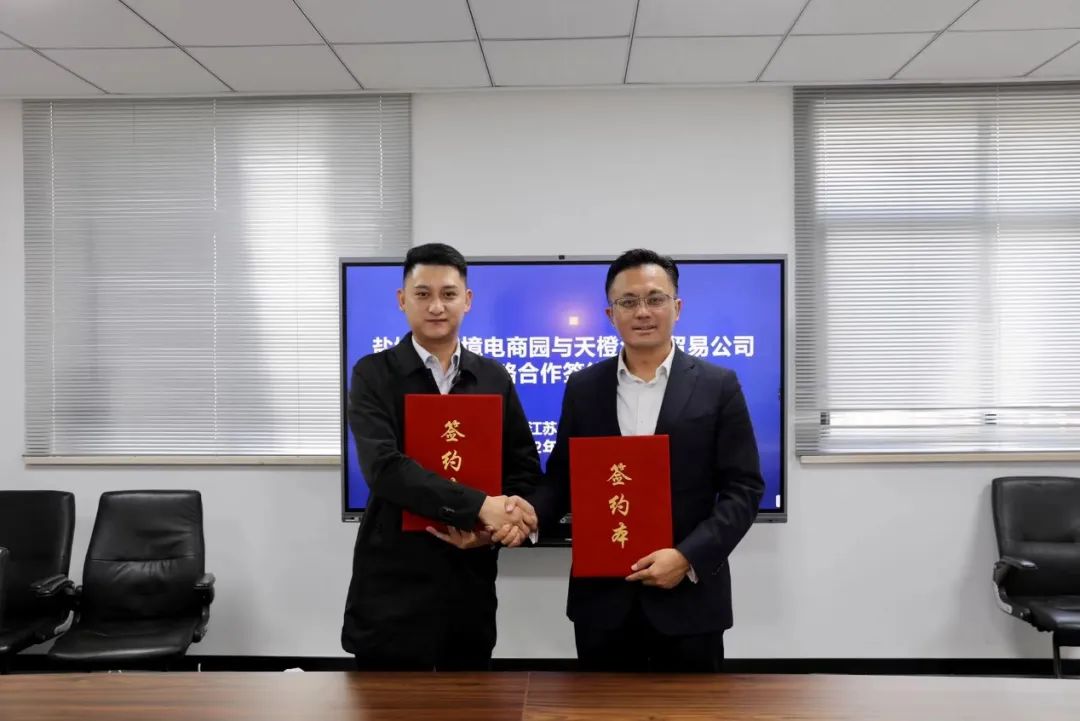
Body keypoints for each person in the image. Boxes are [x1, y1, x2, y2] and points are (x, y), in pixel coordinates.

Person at [521, 248, 764, 672]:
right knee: (602, 707)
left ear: (677, 307)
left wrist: (687, 557)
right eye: (628, 302)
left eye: (655, 299)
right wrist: (527, 515)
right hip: (603, 604)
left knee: (693, 708)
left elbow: (744, 488)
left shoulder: (718, 385)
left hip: (689, 602)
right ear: (610, 314)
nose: (643, 312)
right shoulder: (583, 387)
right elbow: (562, 479)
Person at [342, 243, 540, 671]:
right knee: (386, 703)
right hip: (393, 584)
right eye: (423, 294)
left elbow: (523, 467)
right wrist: (480, 507)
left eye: (448, 294)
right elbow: (384, 469)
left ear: (467, 300)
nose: (436, 306)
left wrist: (494, 530)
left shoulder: (493, 377)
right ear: (402, 300)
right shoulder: (373, 374)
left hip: (468, 586)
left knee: (468, 699)